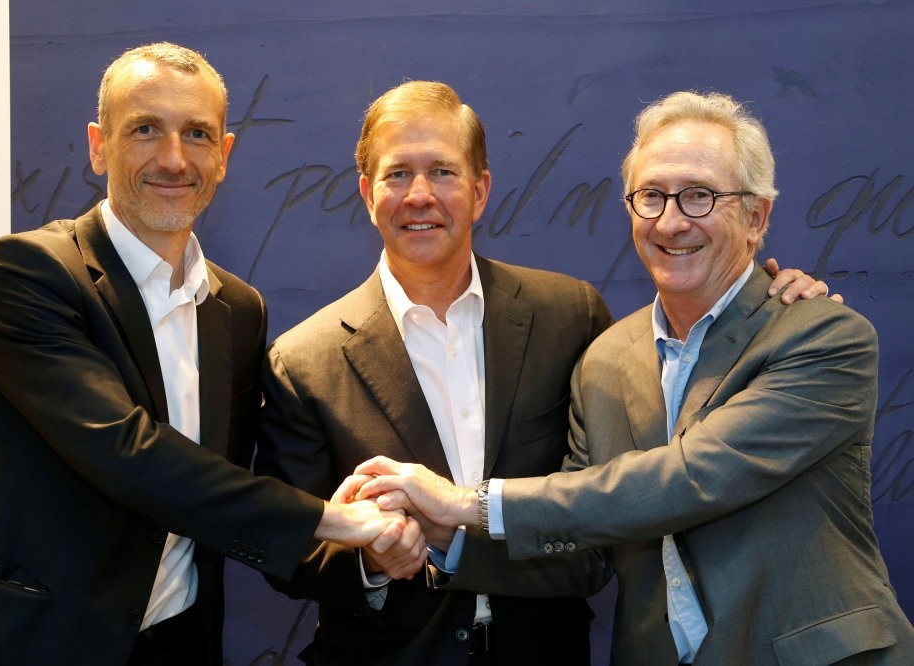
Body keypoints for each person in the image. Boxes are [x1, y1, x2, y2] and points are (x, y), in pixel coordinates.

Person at [253, 82, 828, 666]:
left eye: (444, 173)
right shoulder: (304, 360)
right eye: (397, 174)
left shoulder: (570, 316)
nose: (420, 195)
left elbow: (606, 500)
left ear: (479, 192)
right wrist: (369, 561)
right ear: (366, 194)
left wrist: (763, 296)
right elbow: (288, 544)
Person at [0, 42, 407, 666]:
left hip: (173, 644)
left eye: (197, 134)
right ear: (99, 145)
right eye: (145, 129)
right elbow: (128, 454)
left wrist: (370, 549)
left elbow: (217, 493)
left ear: (223, 156)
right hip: (25, 644)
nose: (174, 159)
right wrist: (332, 520)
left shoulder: (238, 309)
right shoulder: (28, 274)